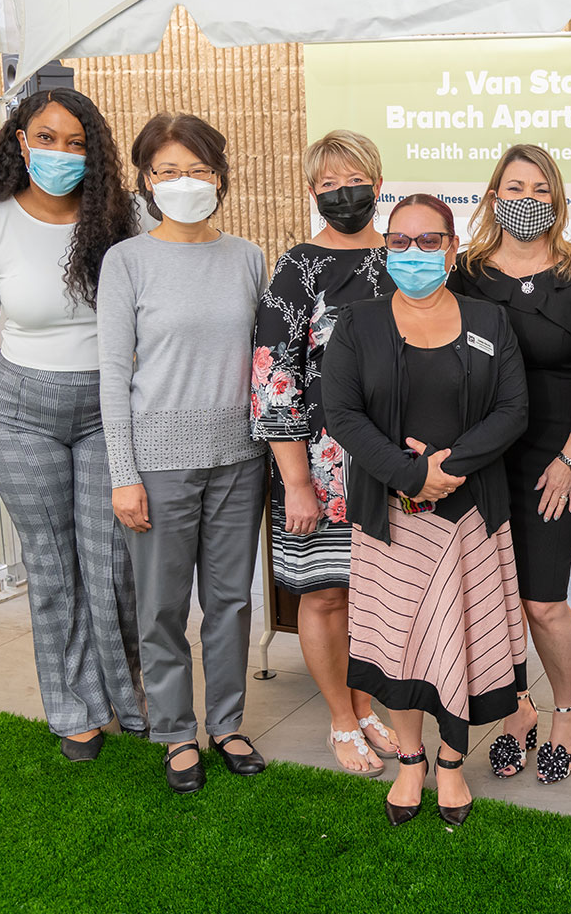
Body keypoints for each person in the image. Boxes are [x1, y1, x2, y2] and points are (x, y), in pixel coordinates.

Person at [0, 89, 145, 761]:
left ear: (96, 154)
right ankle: (73, 708)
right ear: (20, 143)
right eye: (47, 138)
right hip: (19, 411)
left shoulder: (125, 217)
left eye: (77, 143)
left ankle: (124, 693)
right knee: (54, 567)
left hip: (108, 409)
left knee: (111, 566)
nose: (61, 153)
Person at [322, 193, 529, 827]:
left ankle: (451, 764)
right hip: (392, 516)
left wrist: (449, 468)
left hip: (469, 511)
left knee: (457, 644)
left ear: (452, 247)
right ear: (386, 248)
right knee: (400, 650)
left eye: (429, 241)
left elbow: (513, 411)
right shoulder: (358, 324)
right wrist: (414, 474)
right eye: (401, 242)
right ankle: (410, 762)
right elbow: (344, 415)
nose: (415, 254)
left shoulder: (489, 321)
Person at [97, 112, 270, 794]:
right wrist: (123, 474)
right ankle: (176, 731)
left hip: (239, 456)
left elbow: (265, 359)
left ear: (220, 177)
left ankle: (227, 723)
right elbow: (113, 371)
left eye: (197, 169)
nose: (183, 182)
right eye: (166, 170)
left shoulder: (246, 256)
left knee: (229, 601)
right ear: (145, 180)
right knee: (163, 606)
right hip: (157, 460)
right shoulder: (128, 261)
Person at [447, 144, 571, 785]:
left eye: (539, 189)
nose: (525, 200)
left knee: (543, 600)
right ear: (493, 197)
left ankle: (565, 712)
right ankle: (517, 709)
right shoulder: (466, 273)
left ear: (557, 199)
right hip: (487, 455)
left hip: (557, 455)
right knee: (497, 597)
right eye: (513, 188)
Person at [251, 130, 398, 775]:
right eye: (328, 184)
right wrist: (297, 481)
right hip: (322, 465)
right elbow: (272, 374)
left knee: (373, 595)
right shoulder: (298, 268)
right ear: (313, 192)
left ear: (378, 180)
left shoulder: (405, 255)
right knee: (325, 595)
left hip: (396, 462)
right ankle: (340, 717)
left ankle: (367, 707)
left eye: (354, 179)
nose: (343, 193)